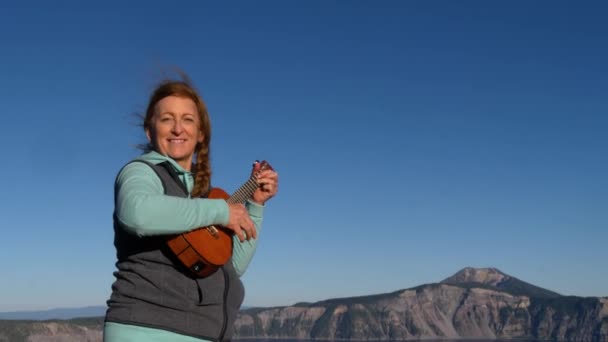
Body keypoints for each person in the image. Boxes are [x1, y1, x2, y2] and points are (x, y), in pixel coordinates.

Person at [104, 76, 278, 342]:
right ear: (150, 131)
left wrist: (255, 205)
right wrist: (221, 212)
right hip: (148, 330)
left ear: (200, 134)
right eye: (166, 119)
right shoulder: (142, 172)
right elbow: (136, 213)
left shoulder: (205, 195)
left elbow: (230, 265)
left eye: (187, 119)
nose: (177, 129)